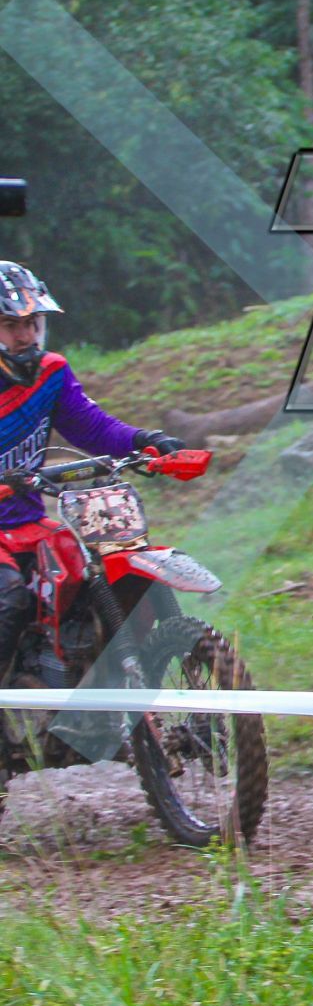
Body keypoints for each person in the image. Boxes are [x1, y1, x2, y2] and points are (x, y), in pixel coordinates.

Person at [0, 262, 186, 699]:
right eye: (10, 325)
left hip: (29, 524)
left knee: (94, 577)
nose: (25, 336)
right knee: (10, 598)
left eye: (31, 323)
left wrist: (146, 441)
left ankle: (94, 693)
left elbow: (92, 427)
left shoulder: (50, 373)